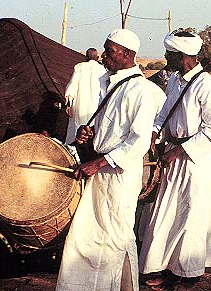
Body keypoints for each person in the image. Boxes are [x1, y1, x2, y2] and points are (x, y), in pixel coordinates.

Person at [55, 29, 165, 291]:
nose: (105, 55)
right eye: (106, 49)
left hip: (119, 174)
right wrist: (88, 135)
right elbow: (109, 128)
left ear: (128, 54)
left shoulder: (141, 90)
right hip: (99, 171)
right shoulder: (106, 82)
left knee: (116, 235)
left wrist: (100, 162)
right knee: (89, 236)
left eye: (111, 51)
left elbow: (138, 141)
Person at [139, 30, 211, 289]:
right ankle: (158, 266)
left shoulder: (208, 85)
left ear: (183, 55)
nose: (165, 57)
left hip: (196, 161)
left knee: (191, 215)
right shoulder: (176, 80)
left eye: (169, 53)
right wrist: (155, 133)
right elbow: (164, 114)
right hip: (173, 157)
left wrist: (178, 151)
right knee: (167, 213)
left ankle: (187, 271)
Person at [63, 48, 107, 144]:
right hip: (95, 106)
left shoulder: (79, 67)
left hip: (79, 105)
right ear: (97, 57)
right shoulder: (102, 69)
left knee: (76, 130)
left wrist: (69, 104)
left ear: (86, 57)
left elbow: (72, 85)